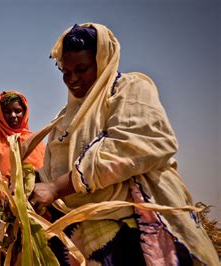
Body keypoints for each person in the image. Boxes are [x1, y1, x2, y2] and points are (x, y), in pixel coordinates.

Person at [29, 23, 218, 265]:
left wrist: (56, 187)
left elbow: (133, 145)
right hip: (80, 240)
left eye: (82, 69)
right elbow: (52, 167)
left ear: (103, 60)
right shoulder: (65, 118)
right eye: (66, 72)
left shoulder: (129, 89)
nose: (73, 79)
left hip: (131, 235)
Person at [0, 90, 45, 200]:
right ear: (0, 114)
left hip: (34, 209)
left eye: (17, 111)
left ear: (25, 112)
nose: (13, 115)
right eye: (7, 111)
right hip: (0, 211)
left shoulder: (36, 143)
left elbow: (46, 177)